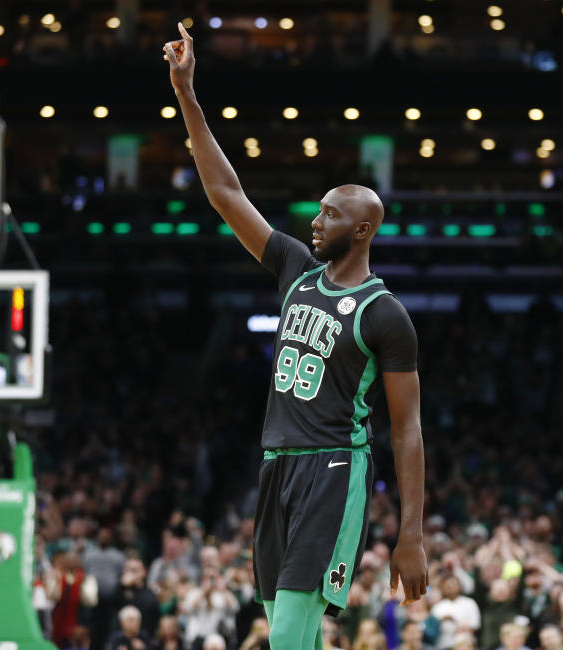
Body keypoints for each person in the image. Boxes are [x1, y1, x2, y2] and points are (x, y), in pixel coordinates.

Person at [162, 22, 428, 649]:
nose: (317, 219)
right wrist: (188, 97)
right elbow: (226, 192)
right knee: (295, 635)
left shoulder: (383, 314)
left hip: (335, 470)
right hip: (277, 464)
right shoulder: (295, 271)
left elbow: (407, 427)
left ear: (362, 231)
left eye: (332, 213)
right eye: (320, 208)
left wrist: (409, 533)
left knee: (286, 634)